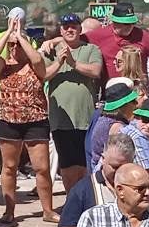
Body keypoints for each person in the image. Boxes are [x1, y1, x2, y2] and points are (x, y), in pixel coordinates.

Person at [0, 14, 57, 224]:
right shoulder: (3, 66)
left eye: (18, 45)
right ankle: (9, 210)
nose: (15, 48)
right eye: (12, 46)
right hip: (8, 120)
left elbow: (38, 59)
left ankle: (47, 210)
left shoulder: (34, 65)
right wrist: (7, 35)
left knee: (42, 168)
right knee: (9, 167)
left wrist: (21, 36)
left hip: (35, 120)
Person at [42, 12, 105, 195]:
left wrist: (73, 62)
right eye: (66, 27)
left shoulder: (91, 49)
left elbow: (95, 71)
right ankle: (72, 199)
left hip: (85, 117)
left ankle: (85, 198)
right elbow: (43, 75)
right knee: (67, 164)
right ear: (61, 30)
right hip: (61, 118)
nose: (70, 30)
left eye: (74, 27)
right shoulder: (51, 50)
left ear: (80, 29)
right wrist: (60, 62)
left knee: (85, 162)